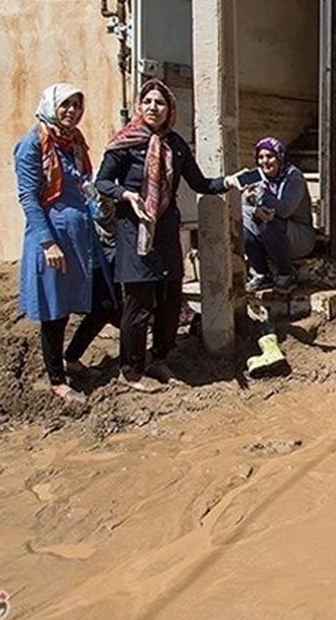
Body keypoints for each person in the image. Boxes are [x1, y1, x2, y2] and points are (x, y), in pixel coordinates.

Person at [95, 78, 245, 391]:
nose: (153, 107)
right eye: (148, 102)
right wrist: (126, 195)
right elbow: (102, 182)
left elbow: (200, 183)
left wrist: (230, 181)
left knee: (169, 297)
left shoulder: (176, 145)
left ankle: (160, 359)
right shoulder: (126, 143)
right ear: (139, 106)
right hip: (134, 233)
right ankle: (132, 369)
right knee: (139, 303)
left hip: (165, 232)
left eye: (160, 103)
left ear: (169, 109)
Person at [13, 83, 117, 405]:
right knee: (55, 311)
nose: (72, 111)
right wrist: (47, 243)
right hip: (54, 239)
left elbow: (83, 186)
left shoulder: (75, 144)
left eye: (77, 105)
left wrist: (101, 208)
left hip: (83, 238)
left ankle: (72, 358)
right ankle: (57, 380)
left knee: (105, 303)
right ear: (51, 106)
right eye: (66, 105)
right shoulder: (32, 144)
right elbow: (29, 198)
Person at [242, 136, 315, 292]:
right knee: (243, 221)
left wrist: (262, 196)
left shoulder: (294, 177)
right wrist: (249, 202)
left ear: (280, 157)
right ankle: (261, 274)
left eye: (270, 156)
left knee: (270, 221)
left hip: (298, 237)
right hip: (270, 236)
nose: (264, 162)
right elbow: (242, 206)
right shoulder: (259, 177)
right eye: (260, 157)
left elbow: (284, 210)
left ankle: (286, 274)